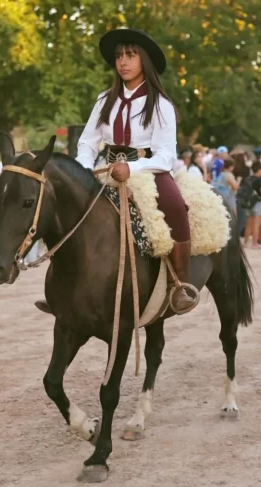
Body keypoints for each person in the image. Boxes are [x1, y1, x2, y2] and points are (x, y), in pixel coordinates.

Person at [69, 28, 196, 313]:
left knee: (175, 206)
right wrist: (84, 170)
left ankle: (181, 284)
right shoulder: (104, 100)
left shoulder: (160, 104)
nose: (122, 62)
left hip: (147, 170)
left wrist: (133, 167)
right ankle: (66, 287)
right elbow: (88, 142)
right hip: (106, 168)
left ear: (144, 61)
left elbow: (166, 156)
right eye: (118, 56)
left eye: (130, 55)